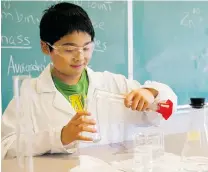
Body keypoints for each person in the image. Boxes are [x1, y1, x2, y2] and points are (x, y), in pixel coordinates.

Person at [1, 2, 177, 159]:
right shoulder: (30, 93)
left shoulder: (113, 84)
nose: (80, 57)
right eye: (69, 49)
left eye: (86, 48)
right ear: (46, 47)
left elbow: (168, 107)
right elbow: (6, 145)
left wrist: (151, 93)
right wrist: (59, 137)